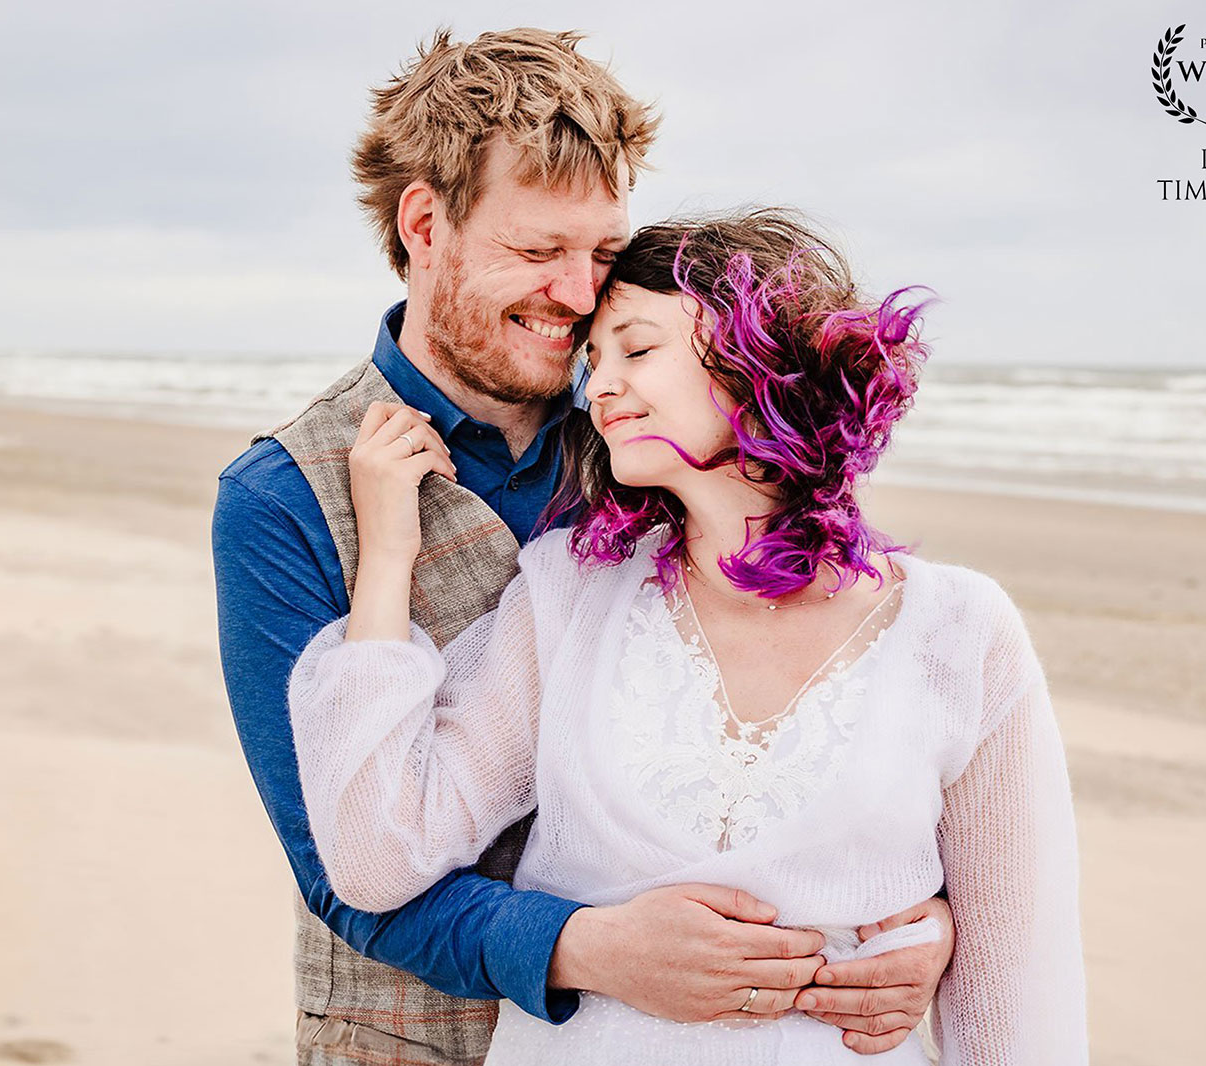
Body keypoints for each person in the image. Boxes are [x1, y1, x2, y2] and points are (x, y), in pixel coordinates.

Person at [213, 29, 954, 1066]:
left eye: (601, 253)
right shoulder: (281, 498)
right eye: (535, 251)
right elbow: (343, 873)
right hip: (402, 1038)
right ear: (425, 223)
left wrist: (918, 923)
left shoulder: (665, 437)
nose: (575, 294)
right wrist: (589, 949)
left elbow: (828, 716)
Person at [286, 210, 1089, 1064]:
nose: (597, 391)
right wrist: (388, 560)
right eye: (593, 363)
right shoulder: (570, 593)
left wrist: (933, 939)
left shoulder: (960, 634)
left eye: (635, 350)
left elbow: (1019, 1003)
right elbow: (378, 856)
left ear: (755, 357)